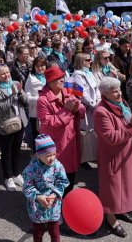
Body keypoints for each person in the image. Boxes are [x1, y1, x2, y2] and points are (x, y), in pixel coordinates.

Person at [94, 77, 132, 237]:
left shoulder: (122, 105)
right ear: (105, 94)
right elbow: (112, 137)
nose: (119, 93)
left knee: (126, 185)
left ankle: (120, 210)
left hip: (127, 153)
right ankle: (110, 217)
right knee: (112, 189)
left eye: (119, 89)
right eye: (114, 91)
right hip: (112, 156)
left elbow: (131, 125)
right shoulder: (101, 111)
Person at [37, 66, 85, 196]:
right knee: (57, 179)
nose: (62, 79)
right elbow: (48, 123)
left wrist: (76, 109)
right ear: (50, 81)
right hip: (57, 145)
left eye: (62, 76)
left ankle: (66, 206)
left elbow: (82, 110)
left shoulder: (68, 92)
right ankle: (56, 209)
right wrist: (67, 111)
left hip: (71, 141)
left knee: (70, 178)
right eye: (58, 78)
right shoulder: (43, 99)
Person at [21, 134, 70, 242]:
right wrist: (38, 196)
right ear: (38, 155)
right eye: (48, 155)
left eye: (54, 154)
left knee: (55, 231)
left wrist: (54, 194)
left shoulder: (58, 166)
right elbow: (27, 186)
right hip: (37, 206)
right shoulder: (31, 168)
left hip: (54, 205)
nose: (52, 157)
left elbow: (62, 181)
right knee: (38, 232)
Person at [0, 64, 28, 191]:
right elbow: (1, 108)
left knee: (17, 151)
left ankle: (16, 174)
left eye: (7, 72)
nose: (6, 75)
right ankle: (8, 177)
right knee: (6, 152)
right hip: (6, 125)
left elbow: (26, 101)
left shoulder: (16, 83)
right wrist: (12, 94)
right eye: (3, 74)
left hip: (20, 121)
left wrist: (20, 92)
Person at [24, 56, 47, 146]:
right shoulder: (30, 79)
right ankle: (36, 152)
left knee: (47, 133)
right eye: (37, 66)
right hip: (35, 112)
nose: (40, 68)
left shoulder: (49, 76)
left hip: (48, 110)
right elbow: (27, 97)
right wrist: (40, 99)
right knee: (36, 134)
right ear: (34, 66)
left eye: (42, 65)